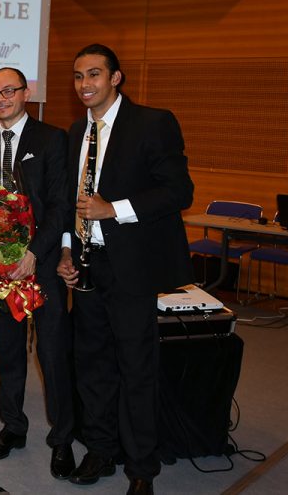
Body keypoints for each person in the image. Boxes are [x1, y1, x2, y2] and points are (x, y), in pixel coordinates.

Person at [56, 44, 194, 495]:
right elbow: (67, 202)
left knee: (136, 368)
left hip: (132, 270)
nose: (84, 85)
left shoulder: (153, 123)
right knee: (91, 366)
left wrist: (113, 209)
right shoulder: (77, 130)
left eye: (94, 74)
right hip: (86, 267)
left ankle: (141, 468)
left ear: (116, 78)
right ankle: (101, 449)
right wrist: (66, 251)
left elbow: (178, 191)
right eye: (78, 76)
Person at [0, 67, 75, 478]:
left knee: (52, 356)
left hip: (42, 266)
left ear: (26, 93)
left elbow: (59, 205)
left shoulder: (51, 139)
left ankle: (63, 438)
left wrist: (34, 252)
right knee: (9, 356)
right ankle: (13, 427)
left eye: (8, 91)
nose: (1, 99)